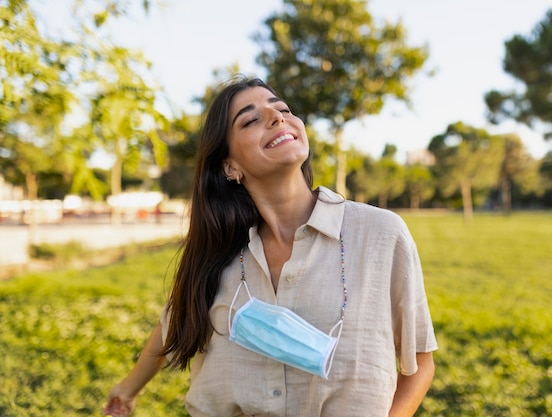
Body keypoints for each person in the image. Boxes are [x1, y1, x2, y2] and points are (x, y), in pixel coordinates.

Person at [103, 75, 438, 417]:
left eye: (283, 109)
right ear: (230, 167)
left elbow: (420, 366)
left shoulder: (380, 233)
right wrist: (127, 390)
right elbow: (172, 324)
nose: (277, 117)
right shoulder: (218, 256)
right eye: (250, 119)